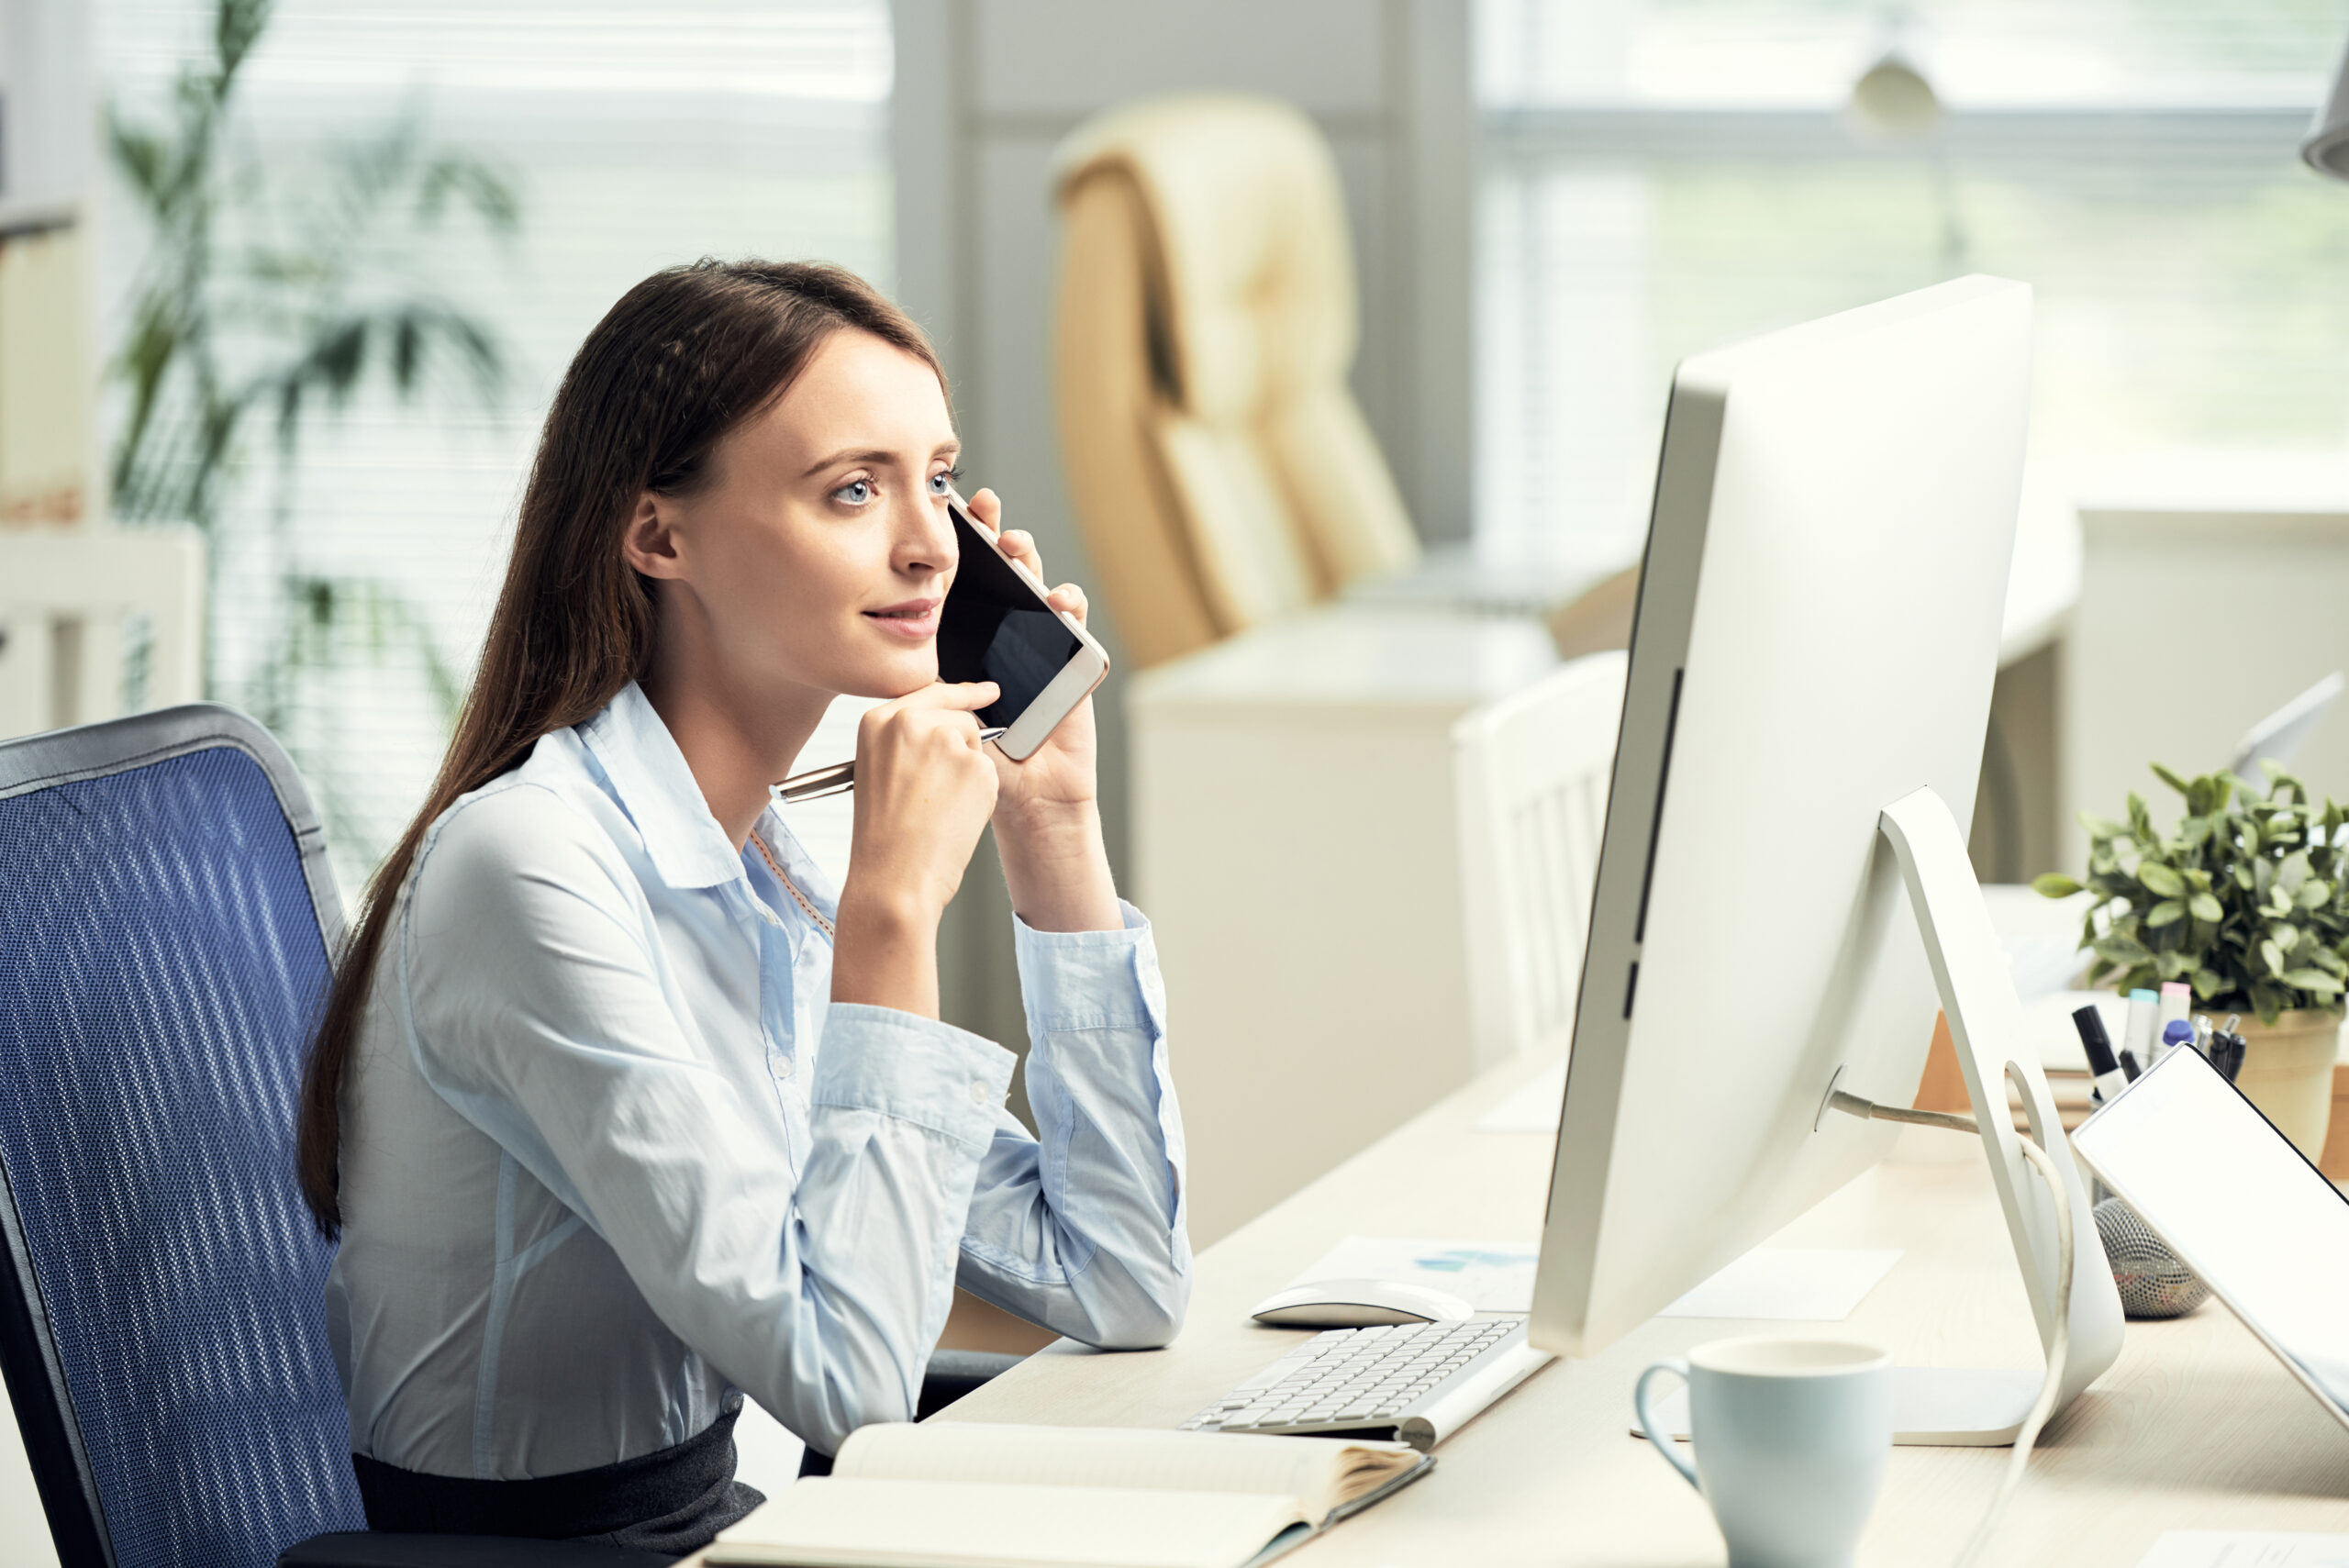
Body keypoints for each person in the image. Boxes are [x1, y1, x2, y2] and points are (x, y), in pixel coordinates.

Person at [295, 259, 1190, 1552]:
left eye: (936, 478)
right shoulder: (527, 870)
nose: (931, 542)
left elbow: (1120, 1277)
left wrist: (1053, 834)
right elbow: (852, 1388)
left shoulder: (763, 853)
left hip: (730, 1535)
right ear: (658, 536)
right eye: (852, 488)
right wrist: (890, 920)